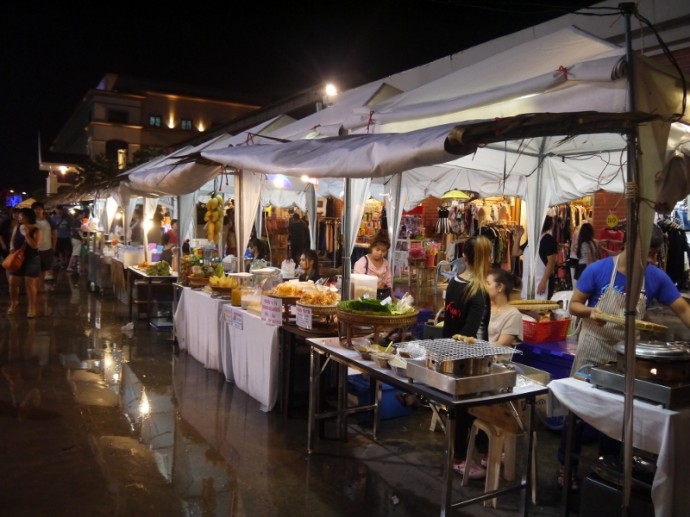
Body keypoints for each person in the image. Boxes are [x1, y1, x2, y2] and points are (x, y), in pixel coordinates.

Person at [557, 224, 690, 490]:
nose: (652, 259)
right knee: (578, 413)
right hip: (593, 347)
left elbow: (683, 309)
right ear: (629, 246)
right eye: (648, 252)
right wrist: (589, 312)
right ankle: (565, 467)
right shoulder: (598, 270)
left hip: (625, 355)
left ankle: (605, 472)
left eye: (656, 253)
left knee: (617, 415)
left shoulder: (655, 277)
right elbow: (574, 304)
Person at [442, 235, 492, 480]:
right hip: (469, 357)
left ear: (465, 257)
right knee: (467, 410)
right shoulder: (479, 292)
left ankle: (479, 451)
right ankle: (461, 458)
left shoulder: (454, 283)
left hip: (449, 352)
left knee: (463, 409)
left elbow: (449, 324)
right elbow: (470, 334)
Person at [512, 215, 558, 300]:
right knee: (527, 308)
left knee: (540, 309)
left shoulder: (548, 239)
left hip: (541, 282)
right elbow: (515, 252)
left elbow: (551, 263)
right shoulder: (532, 239)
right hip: (527, 283)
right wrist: (518, 237)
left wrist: (543, 282)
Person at [8, 208, 42, 318]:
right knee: (13, 282)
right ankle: (13, 303)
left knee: (30, 284)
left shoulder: (36, 230)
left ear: (27, 217)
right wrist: (12, 249)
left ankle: (32, 308)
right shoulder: (16, 227)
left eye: (20, 215)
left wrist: (26, 234)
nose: (18, 217)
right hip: (18, 258)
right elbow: (12, 241)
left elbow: (35, 246)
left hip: (31, 259)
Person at [486, 268, 523, 347]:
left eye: (488, 283)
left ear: (500, 287)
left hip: (497, 358)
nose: (484, 287)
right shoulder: (483, 307)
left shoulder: (513, 315)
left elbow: (500, 345)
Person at [352, 230, 393, 300]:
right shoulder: (362, 263)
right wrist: (374, 287)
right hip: (365, 299)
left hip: (381, 298)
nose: (380, 253)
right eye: (377, 249)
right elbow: (356, 285)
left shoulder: (386, 264)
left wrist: (394, 300)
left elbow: (389, 285)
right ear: (372, 247)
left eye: (383, 251)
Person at [31, 201, 57, 291]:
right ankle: (35, 287)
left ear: (43, 210)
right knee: (35, 269)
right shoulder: (31, 221)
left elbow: (55, 233)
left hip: (47, 248)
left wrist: (53, 246)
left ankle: (40, 286)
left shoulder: (48, 220)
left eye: (39, 209)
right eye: (35, 209)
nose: (37, 211)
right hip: (34, 249)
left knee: (43, 269)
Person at [50, 205, 73, 269]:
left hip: (67, 236)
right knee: (60, 250)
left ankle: (65, 261)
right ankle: (62, 262)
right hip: (58, 237)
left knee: (68, 250)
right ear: (55, 210)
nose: (58, 211)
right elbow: (51, 228)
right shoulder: (53, 218)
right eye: (57, 210)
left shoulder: (67, 217)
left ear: (62, 210)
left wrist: (68, 214)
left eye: (60, 210)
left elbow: (72, 224)